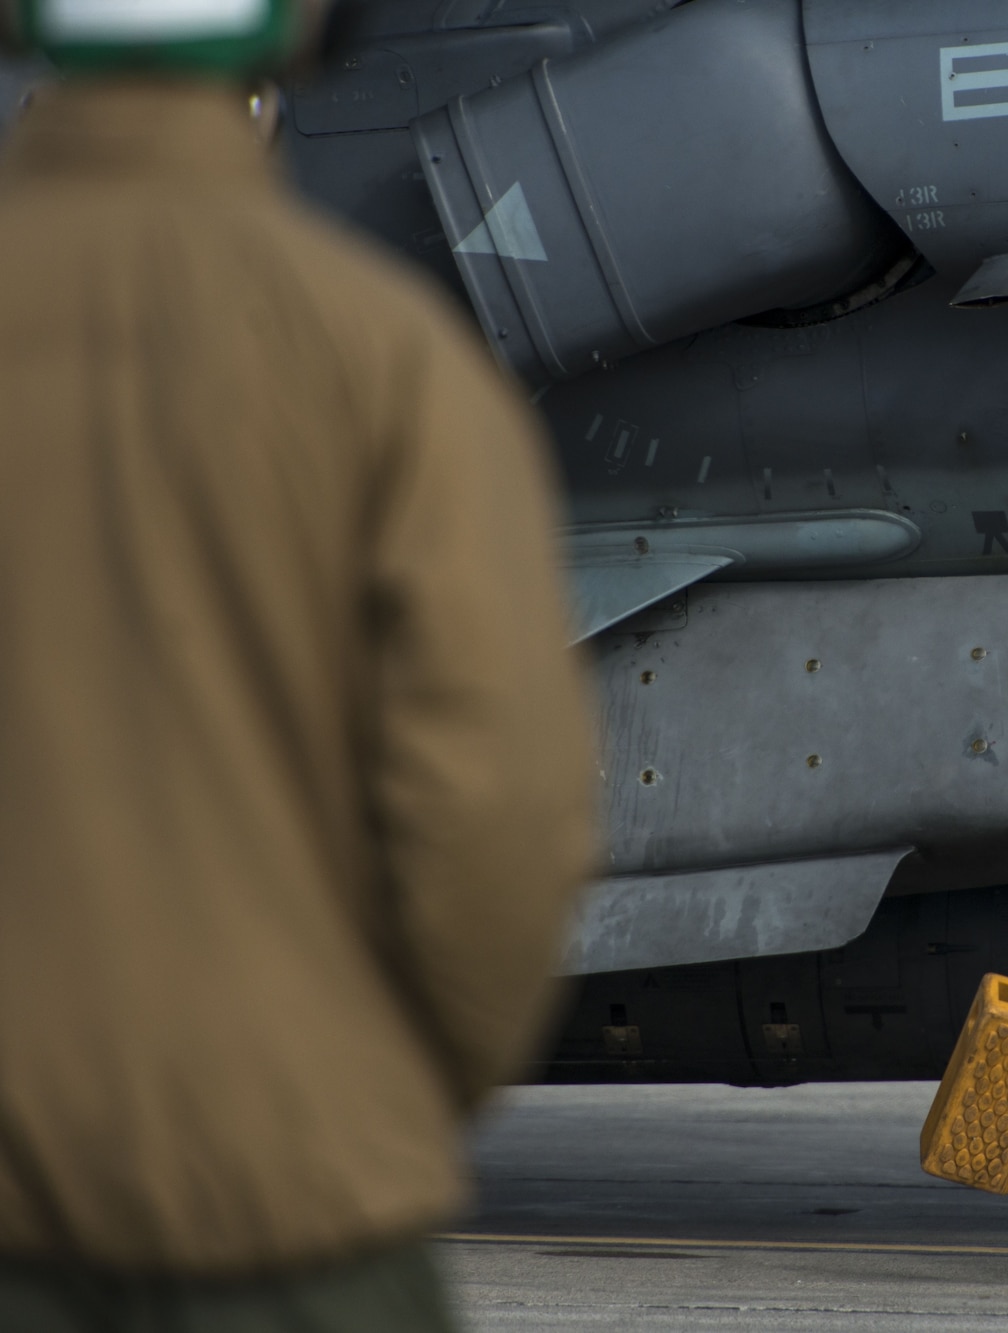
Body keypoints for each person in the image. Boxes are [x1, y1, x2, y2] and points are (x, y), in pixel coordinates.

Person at [0, 2, 598, 1327]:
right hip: (297, 1221)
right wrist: (366, 1101)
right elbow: (498, 812)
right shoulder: (388, 358)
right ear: (297, 39)